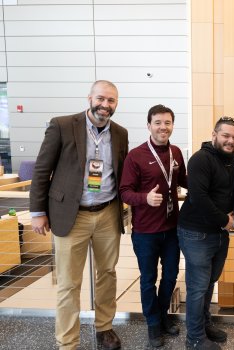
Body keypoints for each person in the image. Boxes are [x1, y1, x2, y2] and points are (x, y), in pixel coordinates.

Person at [29, 80, 128, 350]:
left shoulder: (120, 133)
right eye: (101, 98)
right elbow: (42, 170)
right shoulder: (62, 125)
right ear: (89, 98)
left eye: (111, 101)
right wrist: (38, 212)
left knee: (107, 273)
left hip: (107, 212)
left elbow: (121, 173)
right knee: (69, 283)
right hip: (71, 214)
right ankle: (68, 342)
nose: (105, 105)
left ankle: (104, 328)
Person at [119, 105, 187, 347]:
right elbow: (125, 192)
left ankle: (163, 316)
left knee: (170, 276)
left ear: (172, 125)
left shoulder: (177, 153)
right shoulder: (135, 156)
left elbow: (186, 182)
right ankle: (152, 324)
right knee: (149, 278)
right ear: (149, 125)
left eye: (167, 122)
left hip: (171, 229)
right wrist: (145, 198)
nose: (163, 127)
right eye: (158, 122)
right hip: (146, 232)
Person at [177, 116, 234, 350]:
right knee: (197, 287)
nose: (230, 140)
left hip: (220, 233)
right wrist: (226, 220)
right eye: (226, 135)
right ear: (214, 135)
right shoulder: (200, 160)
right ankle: (194, 338)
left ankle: (204, 325)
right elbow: (200, 197)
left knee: (210, 282)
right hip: (196, 232)